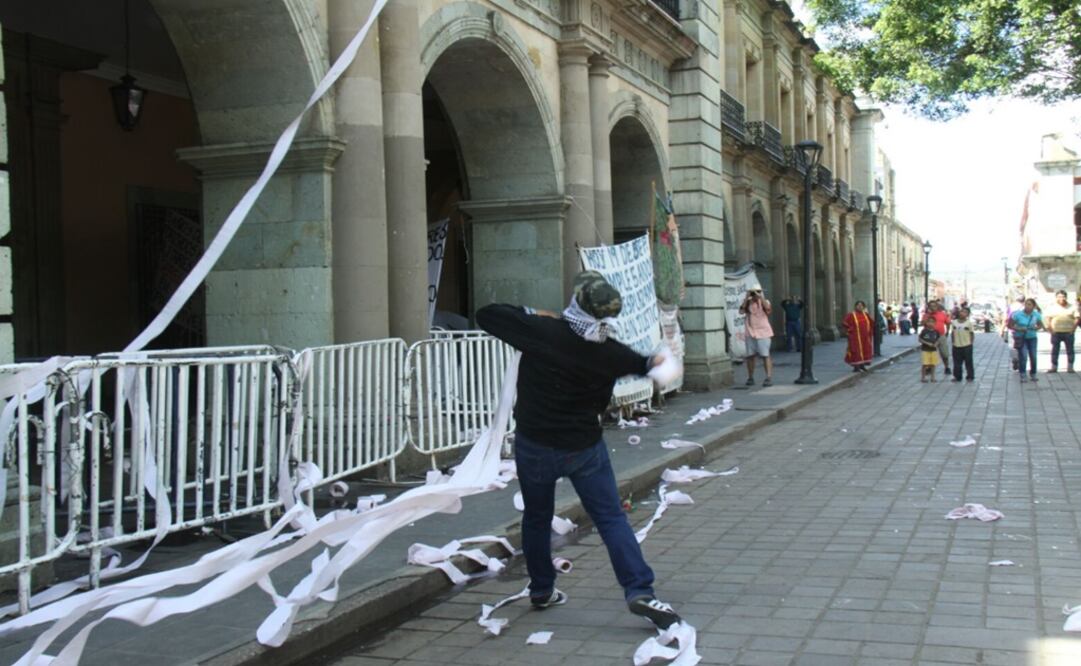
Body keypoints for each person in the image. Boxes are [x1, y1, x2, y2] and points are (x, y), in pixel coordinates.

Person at [475, 270, 682, 630]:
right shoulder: (610, 352)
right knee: (611, 519)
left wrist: (535, 313)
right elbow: (646, 366)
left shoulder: (541, 331)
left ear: (576, 303)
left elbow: (487, 314)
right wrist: (658, 361)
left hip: (535, 444)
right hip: (583, 448)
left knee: (537, 518)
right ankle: (639, 591)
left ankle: (541, 589)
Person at [739, 287, 774, 387]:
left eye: (757, 292)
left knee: (765, 355)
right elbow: (741, 311)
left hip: (763, 332)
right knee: (750, 356)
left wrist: (760, 297)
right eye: (753, 292)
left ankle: (768, 377)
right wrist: (746, 298)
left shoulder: (765, 301)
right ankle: (750, 377)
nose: (755, 294)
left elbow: (768, 310)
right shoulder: (748, 303)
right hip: (750, 332)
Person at [1007, 297, 1045, 382]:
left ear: (1034, 306)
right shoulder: (1017, 314)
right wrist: (1019, 329)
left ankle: (1033, 373)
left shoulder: (1036, 315)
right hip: (1021, 338)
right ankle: (1023, 374)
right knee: (1023, 356)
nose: (1027, 306)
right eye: (1026, 304)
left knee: (1033, 356)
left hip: (1032, 338)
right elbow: (1010, 325)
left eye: (1029, 304)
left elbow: (1040, 325)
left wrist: (1036, 328)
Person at [1045, 289, 1078, 373]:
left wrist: (1073, 329)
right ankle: (1054, 367)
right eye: (1059, 297)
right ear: (1056, 297)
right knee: (1055, 350)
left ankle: (1070, 367)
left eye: (1063, 296)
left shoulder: (1072, 307)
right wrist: (1051, 330)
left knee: (1070, 350)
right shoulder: (1052, 307)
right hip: (1056, 332)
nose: (1061, 298)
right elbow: (1048, 318)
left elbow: (1077, 318)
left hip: (1068, 332)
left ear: (1066, 297)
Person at [842, 300, 874, 373]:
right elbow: (845, 323)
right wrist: (850, 330)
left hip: (865, 337)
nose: (860, 307)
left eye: (861, 305)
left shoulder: (866, 315)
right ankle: (856, 367)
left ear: (863, 307)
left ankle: (862, 365)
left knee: (865, 350)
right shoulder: (852, 315)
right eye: (858, 305)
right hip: (855, 337)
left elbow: (872, 323)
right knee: (856, 351)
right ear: (855, 306)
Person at [925, 301, 952, 375]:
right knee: (930, 353)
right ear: (928, 307)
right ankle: (929, 368)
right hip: (930, 337)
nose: (932, 308)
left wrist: (947, 332)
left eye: (934, 306)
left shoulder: (942, 314)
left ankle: (947, 367)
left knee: (944, 353)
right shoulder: (926, 315)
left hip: (941, 336)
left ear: (937, 307)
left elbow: (948, 323)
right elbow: (924, 325)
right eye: (930, 306)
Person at [950, 307, 976, 382]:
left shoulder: (969, 323)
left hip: (967, 345)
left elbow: (971, 333)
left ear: (967, 314)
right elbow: (952, 333)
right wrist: (953, 342)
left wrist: (970, 343)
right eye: (961, 311)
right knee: (957, 362)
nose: (962, 313)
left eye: (965, 312)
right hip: (956, 345)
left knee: (968, 362)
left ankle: (970, 376)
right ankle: (957, 376)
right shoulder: (954, 322)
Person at [918, 316, 940, 383]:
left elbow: (938, 339)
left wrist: (936, 343)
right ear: (926, 323)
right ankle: (923, 377)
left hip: (933, 350)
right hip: (925, 350)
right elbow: (920, 339)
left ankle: (932, 377)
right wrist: (927, 343)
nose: (930, 323)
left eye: (932, 322)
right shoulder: (924, 331)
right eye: (929, 322)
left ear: (935, 323)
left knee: (933, 364)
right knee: (925, 364)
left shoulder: (936, 331)